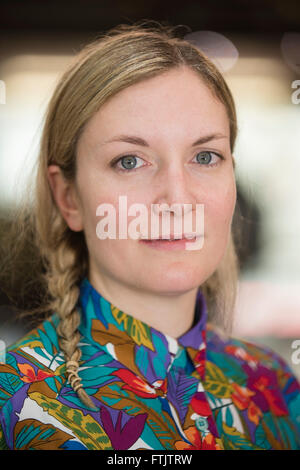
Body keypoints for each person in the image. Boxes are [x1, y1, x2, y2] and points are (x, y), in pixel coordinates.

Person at [0, 20, 299, 451]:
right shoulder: (14, 402)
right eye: (129, 161)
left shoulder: (275, 390)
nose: (177, 198)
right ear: (68, 198)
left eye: (205, 156)